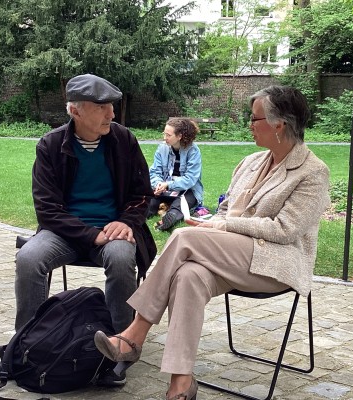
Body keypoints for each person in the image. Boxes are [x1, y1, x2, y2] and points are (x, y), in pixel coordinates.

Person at [93, 85, 331, 400]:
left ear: (279, 125)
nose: (249, 124)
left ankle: (134, 334)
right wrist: (212, 222)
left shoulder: (313, 172)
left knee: (182, 236)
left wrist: (220, 225)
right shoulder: (250, 162)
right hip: (231, 254)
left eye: (254, 118)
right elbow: (223, 209)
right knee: (188, 275)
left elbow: (286, 229)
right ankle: (181, 382)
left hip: (275, 263)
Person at [0, 74, 157, 387]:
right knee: (29, 258)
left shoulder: (124, 140)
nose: (111, 114)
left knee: (122, 259)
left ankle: (120, 348)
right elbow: (47, 209)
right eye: (102, 107)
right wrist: (90, 234)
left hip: (113, 230)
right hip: (64, 231)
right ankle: (25, 345)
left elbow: (142, 194)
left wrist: (127, 221)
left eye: (111, 106)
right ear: (75, 111)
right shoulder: (51, 144)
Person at [147, 118, 204, 230]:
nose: (164, 138)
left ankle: (170, 217)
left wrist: (168, 185)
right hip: (165, 189)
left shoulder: (193, 151)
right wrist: (158, 184)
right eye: (164, 134)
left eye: (168, 135)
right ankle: (142, 214)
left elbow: (190, 179)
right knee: (150, 201)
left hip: (188, 190)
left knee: (180, 204)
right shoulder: (162, 148)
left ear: (179, 136)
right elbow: (154, 171)